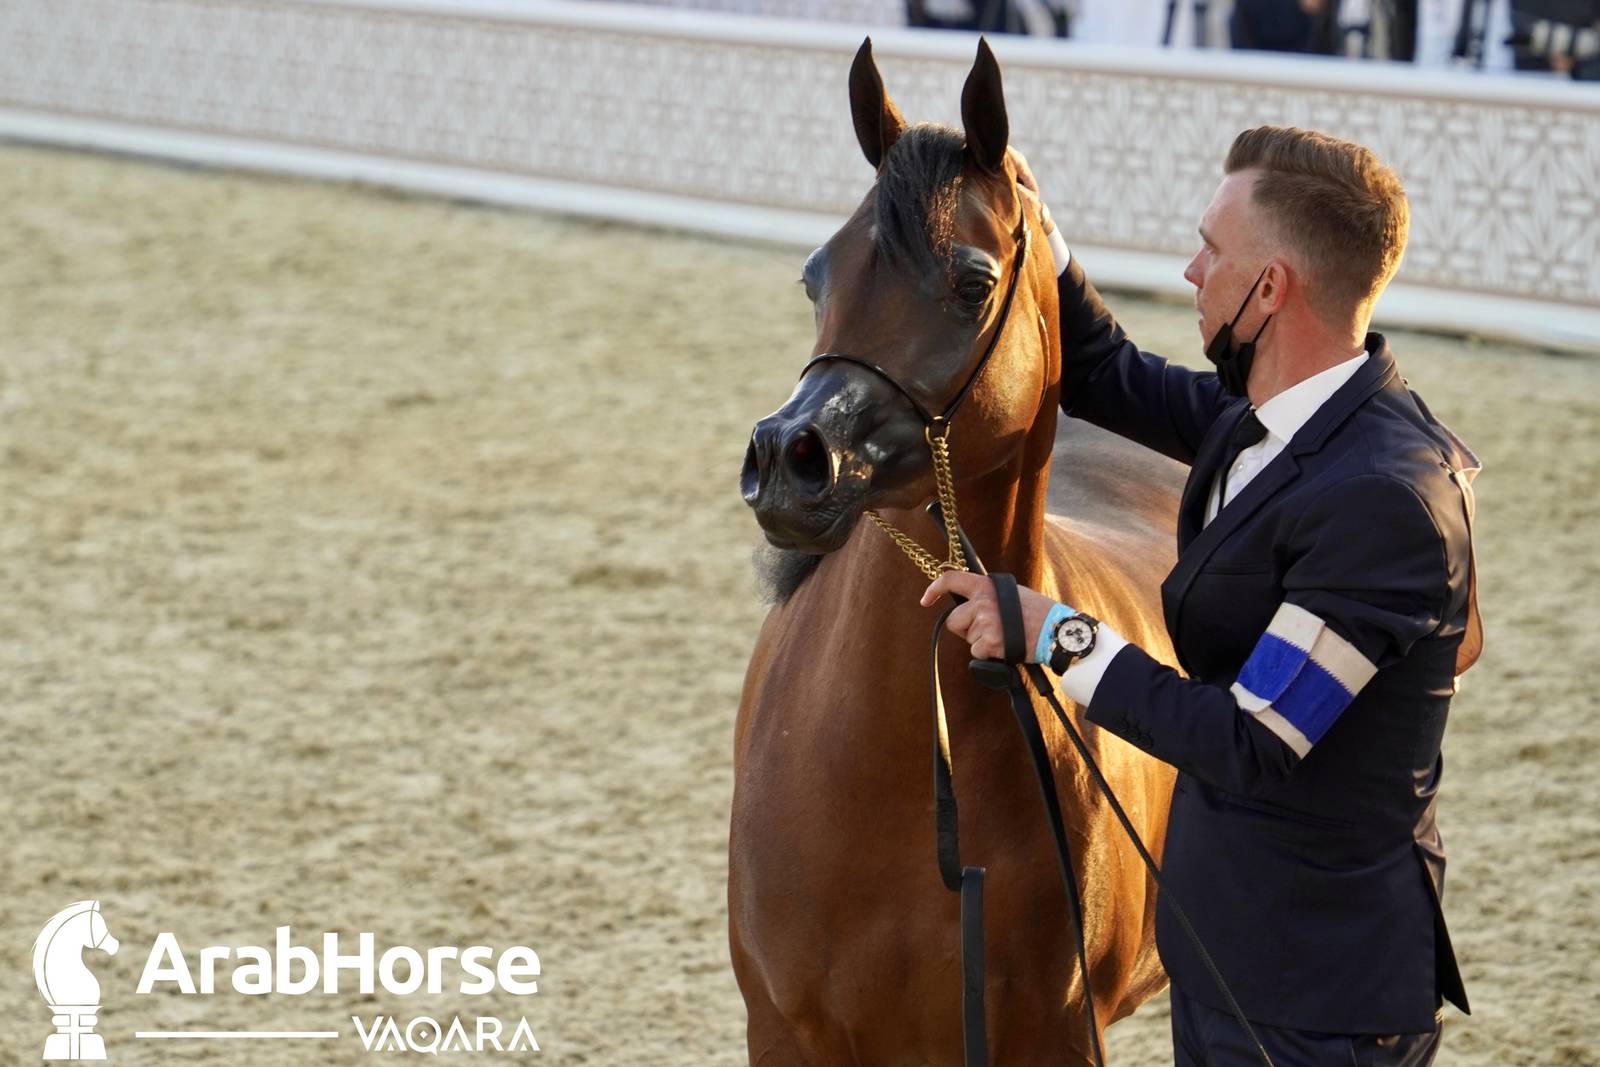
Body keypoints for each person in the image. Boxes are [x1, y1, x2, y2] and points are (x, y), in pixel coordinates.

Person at [921, 126, 1482, 1065]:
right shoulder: (1268, 417)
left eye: (1212, 250)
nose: (1190, 270)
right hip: (1230, 947)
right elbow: (1105, 374)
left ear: (1270, 290)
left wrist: (1054, 633)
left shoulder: (1384, 500)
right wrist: (1036, 228)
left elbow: (1251, 738)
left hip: (1319, 997)